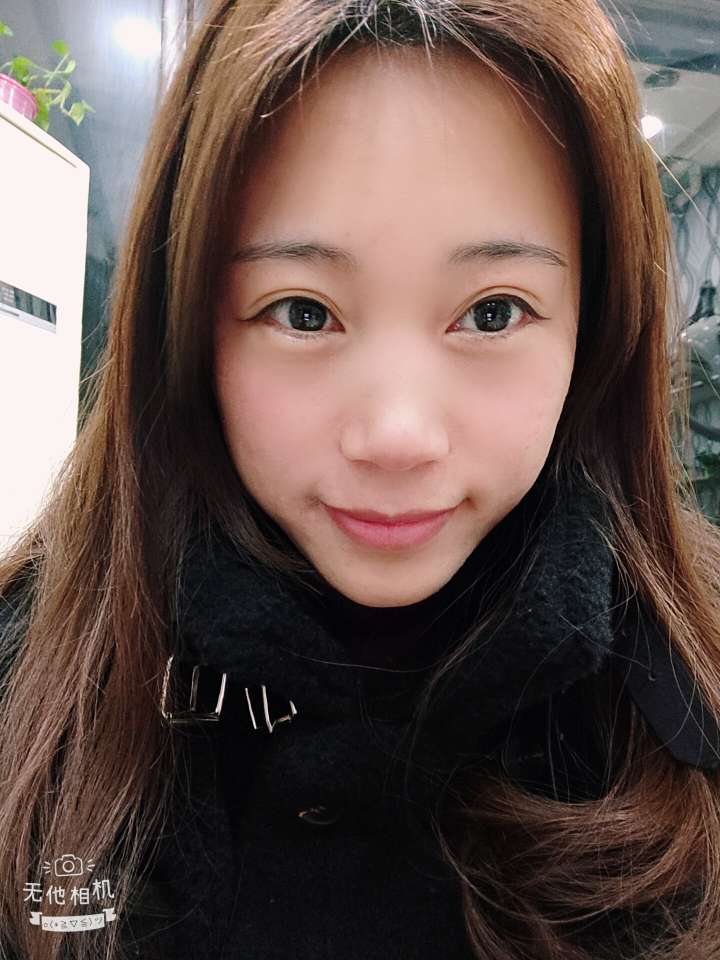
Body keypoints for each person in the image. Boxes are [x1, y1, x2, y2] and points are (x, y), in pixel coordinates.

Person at [1, 0, 719, 957]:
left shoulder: (691, 690)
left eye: (493, 312)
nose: (396, 436)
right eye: (303, 312)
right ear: (189, 329)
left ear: (594, 334)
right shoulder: (31, 685)